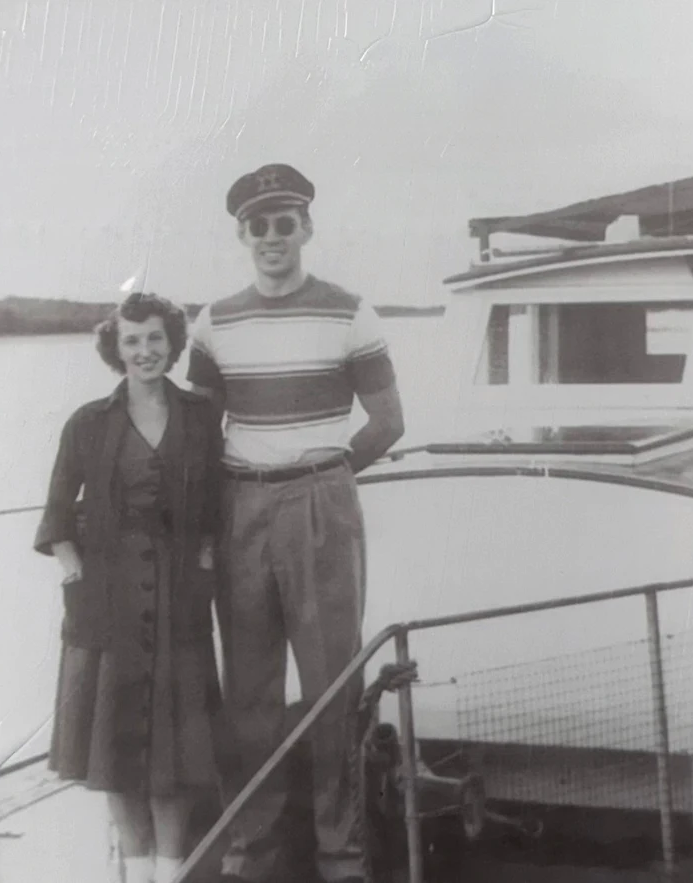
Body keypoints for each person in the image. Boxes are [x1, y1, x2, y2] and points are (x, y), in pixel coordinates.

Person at [187, 163, 405, 883]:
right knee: (247, 688)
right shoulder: (213, 324)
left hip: (320, 503)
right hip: (240, 505)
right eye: (259, 224)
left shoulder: (350, 312)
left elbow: (388, 421)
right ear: (241, 234)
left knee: (331, 685)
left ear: (306, 228)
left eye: (286, 222)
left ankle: (341, 852)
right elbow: (198, 431)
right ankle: (254, 845)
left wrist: (329, 477)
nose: (272, 236)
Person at [34, 292, 224, 883]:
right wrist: (75, 572)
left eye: (154, 338)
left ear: (172, 343)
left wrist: (202, 567)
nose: (144, 351)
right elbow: (58, 517)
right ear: (116, 351)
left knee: (178, 750)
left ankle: (170, 872)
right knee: (113, 754)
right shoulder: (88, 423)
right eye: (131, 341)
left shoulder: (199, 416)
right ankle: (137, 872)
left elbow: (215, 509)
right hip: (108, 599)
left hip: (177, 599)